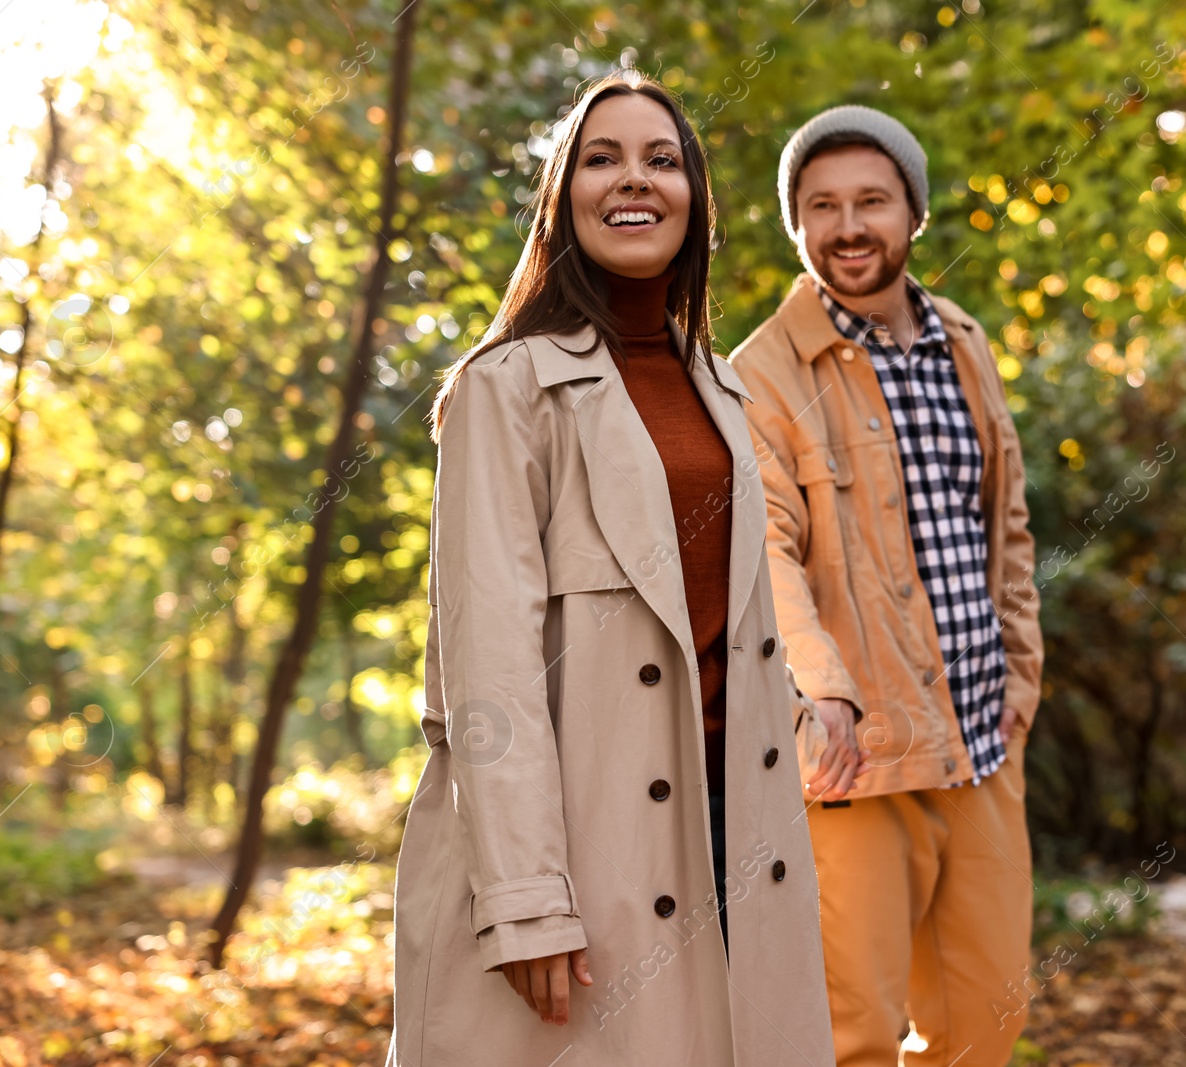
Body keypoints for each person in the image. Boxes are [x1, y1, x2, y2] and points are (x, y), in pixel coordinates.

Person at [385, 71, 837, 1067]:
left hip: (735, 834)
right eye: (602, 158)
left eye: (661, 159)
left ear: (694, 197)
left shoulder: (725, 393)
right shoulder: (504, 390)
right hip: (582, 847)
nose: (634, 180)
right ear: (564, 194)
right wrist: (523, 897)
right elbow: (487, 662)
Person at [730, 105, 1044, 1067]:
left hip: (982, 740)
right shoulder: (761, 373)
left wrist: (1023, 680)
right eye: (821, 206)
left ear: (914, 213)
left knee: (986, 1026)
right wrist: (823, 690)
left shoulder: (964, 340)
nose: (848, 225)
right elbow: (765, 551)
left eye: (872, 200)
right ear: (796, 226)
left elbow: (1010, 526)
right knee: (847, 1036)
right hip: (854, 758)